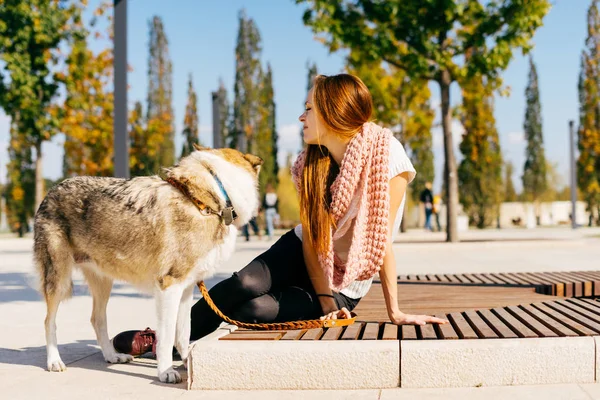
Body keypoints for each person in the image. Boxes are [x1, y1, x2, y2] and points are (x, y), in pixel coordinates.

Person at [113, 73, 447, 353]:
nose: (302, 117)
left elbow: (379, 241)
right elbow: (313, 239)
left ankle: (186, 333)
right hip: (304, 252)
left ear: (333, 113)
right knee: (242, 283)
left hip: (345, 282)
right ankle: (165, 342)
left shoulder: (387, 159)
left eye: (308, 109)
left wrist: (392, 310)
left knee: (253, 309)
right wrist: (322, 299)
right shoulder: (311, 164)